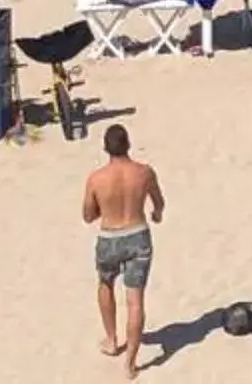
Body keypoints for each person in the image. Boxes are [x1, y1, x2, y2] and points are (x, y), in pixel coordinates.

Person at [83, 124, 164, 378]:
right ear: (128, 144)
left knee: (105, 284)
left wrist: (103, 209)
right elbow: (159, 203)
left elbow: (87, 215)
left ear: (106, 147)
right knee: (135, 300)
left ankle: (111, 339)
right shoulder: (144, 172)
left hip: (110, 237)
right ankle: (130, 363)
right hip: (138, 234)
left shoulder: (96, 178)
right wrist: (156, 214)